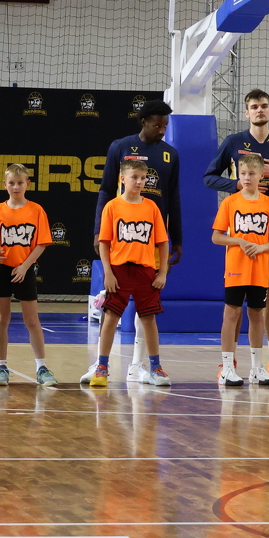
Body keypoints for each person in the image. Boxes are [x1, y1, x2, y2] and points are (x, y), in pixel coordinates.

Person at [203, 89, 269, 379]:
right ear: (246, 112)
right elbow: (209, 177)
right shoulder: (233, 142)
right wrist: (236, 185)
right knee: (235, 304)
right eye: (254, 106)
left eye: (263, 106)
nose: (259, 110)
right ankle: (230, 363)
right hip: (242, 234)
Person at [95, 99, 182, 384]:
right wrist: (98, 231)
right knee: (113, 310)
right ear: (144, 121)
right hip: (121, 247)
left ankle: (140, 365)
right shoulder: (120, 147)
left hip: (151, 243)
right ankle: (101, 364)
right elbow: (105, 189)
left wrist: (177, 237)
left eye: (166, 125)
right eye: (158, 124)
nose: (162, 130)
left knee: (148, 311)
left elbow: (174, 198)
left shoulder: (170, 154)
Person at [89, 160, 171, 387]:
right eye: (134, 177)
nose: (139, 182)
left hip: (146, 270)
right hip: (119, 270)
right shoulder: (112, 206)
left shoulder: (151, 207)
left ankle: (155, 367)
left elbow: (163, 242)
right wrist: (108, 272)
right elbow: (104, 242)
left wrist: (162, 271)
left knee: (149, 318)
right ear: (122, 178)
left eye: (143, 178)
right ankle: (102, 366)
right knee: (111, 317)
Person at [211, 154, 269, 387]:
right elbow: (216, 237)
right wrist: (239, 242)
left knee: (256, 314)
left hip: (260, 268)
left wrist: (262, 247)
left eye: (251, 173)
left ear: (261, 175)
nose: (246, 177)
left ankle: (256, 368)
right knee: (232, 313)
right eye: (242, 173)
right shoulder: (230, 203)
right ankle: (227, 367)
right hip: (236, 268)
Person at [0, 163, 55, 386]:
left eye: (20, 183)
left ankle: (41, 367)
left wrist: (25, 266)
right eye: (12, 183)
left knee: (31, 319)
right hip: (1, 268)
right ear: (4, 185)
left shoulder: (36, 210)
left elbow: (42, 243)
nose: (16, 187)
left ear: (28, 184)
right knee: (1, 318)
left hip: (24, 268)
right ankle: (1, 367)